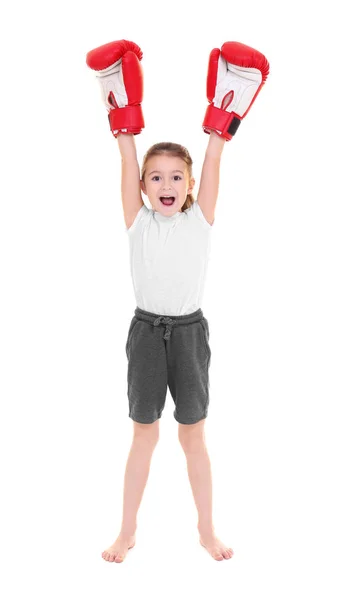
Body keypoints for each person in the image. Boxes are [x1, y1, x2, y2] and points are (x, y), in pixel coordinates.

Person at [86, 39, 269, 562]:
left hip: (189, 334)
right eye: (155, 177)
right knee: (143, 436)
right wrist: (118, 109)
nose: (166, 184)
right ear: (143, 187)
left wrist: (221, 122)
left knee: (193, 438)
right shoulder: (137, 219)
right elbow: (125, 150)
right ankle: (126, 531)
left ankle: (206, 530)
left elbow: (214, 152)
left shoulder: (200, 219)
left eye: (176, 177)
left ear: (189, 185)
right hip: (145, 334)